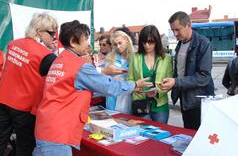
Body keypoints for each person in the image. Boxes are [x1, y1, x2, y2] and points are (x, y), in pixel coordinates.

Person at [33, 20, 152, 156]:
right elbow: (109, 87)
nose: (88, 44)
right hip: (58, 133)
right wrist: (135, 85)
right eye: (85, 40)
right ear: (73, 41)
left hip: (46, 127)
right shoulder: (79, 65)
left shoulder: (59, 60)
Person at [0, 12, 58, 156]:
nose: (54, 37)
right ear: (39, 32)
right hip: (24, 109)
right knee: (25, 147)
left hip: (3, 101)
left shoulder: (13, 44)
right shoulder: (47, 56)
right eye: (51, 33)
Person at [159, 11, 214, 130]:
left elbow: (204, 77)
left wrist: (176, 82)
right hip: (185, 100)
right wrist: (170, 84)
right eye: (173, 30)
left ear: (188, 25)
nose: (175, 33)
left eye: (178, 29)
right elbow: (179, 72)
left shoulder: (203, 43)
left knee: (199, 138)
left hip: (199, 102)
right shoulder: (180, 44)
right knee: (188, 135)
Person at [127, 25, 173, 124]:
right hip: (140, 103)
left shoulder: (167, 58)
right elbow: (129, 79)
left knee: (160, 136)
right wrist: (137, 88)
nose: (147, 45)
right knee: (142, 136)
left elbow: (170, 82)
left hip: (160, 105)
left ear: (156, 41)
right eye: (144, 42)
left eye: (150, 42)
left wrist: (157, 91)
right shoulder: (135, 57)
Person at [105, 30, 134, 113]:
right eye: (115, 44)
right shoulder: (110, 57)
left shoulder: (134, 58)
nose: (118, 46)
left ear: (126, 40)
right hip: (113, 96)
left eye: (120, 43)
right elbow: (105, 78)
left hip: (127, 96)